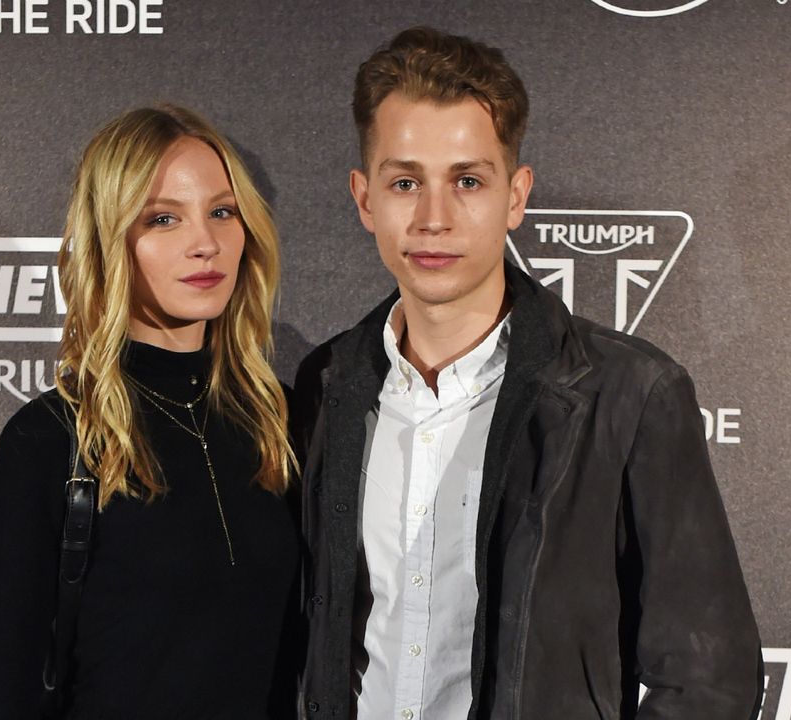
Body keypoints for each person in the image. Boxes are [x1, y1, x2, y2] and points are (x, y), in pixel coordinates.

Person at [292, 27, 763, 720]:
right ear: (365, 199)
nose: (433, 218)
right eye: (404, 182)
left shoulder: (629, 395)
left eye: (467, 182)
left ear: (515, 196)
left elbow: (709, 678)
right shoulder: (327, 383)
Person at [0, 104, 299, 720]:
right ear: (112, 240)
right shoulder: (49, 441)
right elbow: (8, 693)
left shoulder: (284, 421)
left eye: (222, 212)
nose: (205, 243)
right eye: (164, 219)